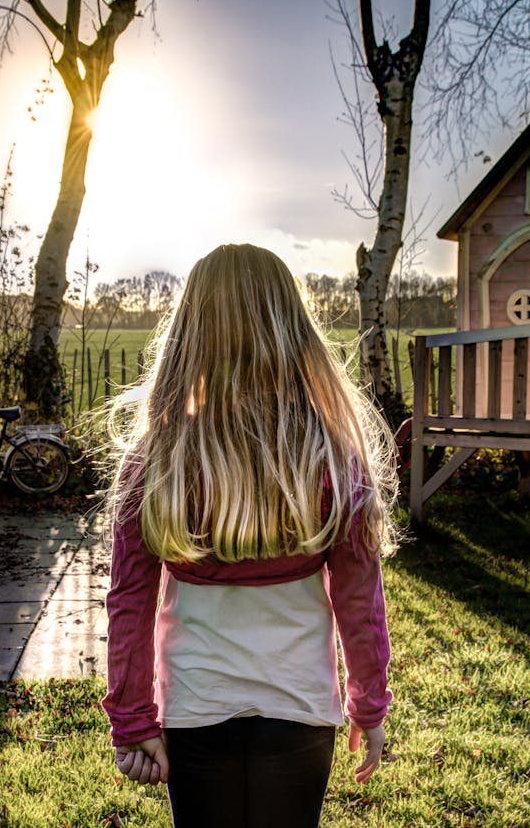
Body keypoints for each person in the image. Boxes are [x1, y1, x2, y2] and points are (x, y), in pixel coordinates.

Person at [101, 243, 398, 827]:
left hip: (194, 710)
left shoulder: (157, 461)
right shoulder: (332, 460)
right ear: (292, 330)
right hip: (301, 709)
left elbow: (128, 603)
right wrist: (368, 702)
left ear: (191, 332)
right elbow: (359, 599)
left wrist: (133, 719)